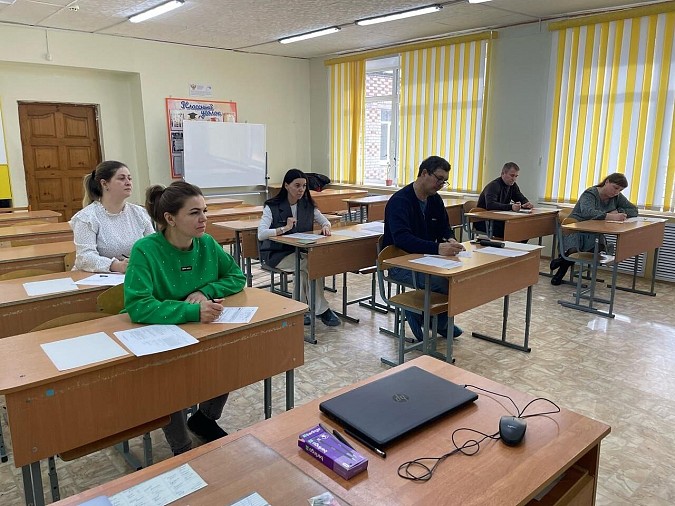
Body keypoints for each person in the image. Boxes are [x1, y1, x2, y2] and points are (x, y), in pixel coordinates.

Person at [124, 181, 246, 455]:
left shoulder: (207, 243)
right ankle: (182, 446)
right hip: (158, 334)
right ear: (170, 219)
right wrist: (192, 311)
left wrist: (205, 291)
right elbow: (138, 306)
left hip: (198, 331)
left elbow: (237, 277)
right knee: (171, 380)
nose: (204, 218)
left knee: (227, 357)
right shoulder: (145, 250)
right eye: (194, 213)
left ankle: (204, 419)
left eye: (204, 211)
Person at [382, 156, 464, 341]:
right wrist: (437, 248)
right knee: (442, 283)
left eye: (444, 181)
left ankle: (430, 318)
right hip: (399, 263)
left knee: (456, 279)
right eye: (439, 179)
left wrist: (450, 238)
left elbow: (444, 227)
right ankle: (425, 316)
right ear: (424, 173)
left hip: (426, 260)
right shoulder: (400, 201)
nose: (441, 184)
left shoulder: (435, 200)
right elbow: (402, 239)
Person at [258, 168, 340, 327]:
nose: (301, 189)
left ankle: (299, 310)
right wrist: (284, 228)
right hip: (277, 253)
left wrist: (326, 227)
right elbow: (261, 234)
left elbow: (325, 221)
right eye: (297, 185)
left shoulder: (307, 205)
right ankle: (322, 309)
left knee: (304, 271)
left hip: (299, 252)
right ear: (286, 185)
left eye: (304, 186)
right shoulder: (272, 206)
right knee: (309, 265)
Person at [550, 172, 638, 285]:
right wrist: (611, 216)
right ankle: (559, 274)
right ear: (607, 182)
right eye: (615, 188)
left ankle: (561, 260)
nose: (616, 192)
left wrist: (619, 211)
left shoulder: (616, 197)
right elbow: (587, 212)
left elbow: (634, 210)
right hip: (576, 227)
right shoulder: (590, 193)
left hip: (595, 231)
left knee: (598, 247)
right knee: (574, 250)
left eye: (620, 190)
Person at [70, 160, 154, 273]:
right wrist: (116, 265)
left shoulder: (140, 213)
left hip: (135, 273)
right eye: (121, 178)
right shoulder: (86, 217)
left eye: (129, 178)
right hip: (96, 278)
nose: (128, 182)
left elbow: (153, 246)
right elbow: (85, 257)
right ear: (104, 184)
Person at [475, 162, 533, 238]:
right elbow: (491, 205)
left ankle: (515, 245)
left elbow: (520, 197)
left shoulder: (513, 185)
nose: (514, 179)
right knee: (515, 230)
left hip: (499, 219)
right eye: (512, 175)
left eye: (516, 176)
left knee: (524, 230)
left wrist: (526, 203)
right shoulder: (494, 185)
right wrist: (511, 207)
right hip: (484, 221)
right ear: (503, 173)